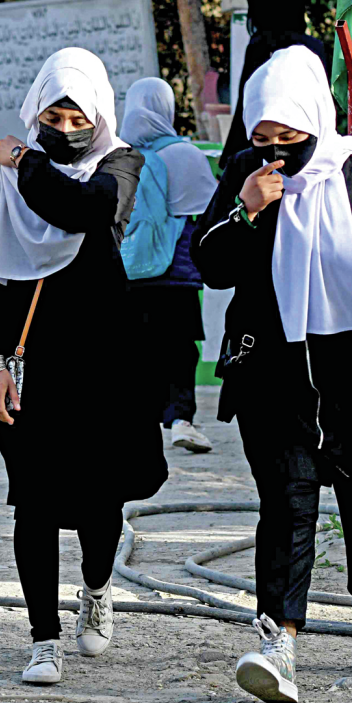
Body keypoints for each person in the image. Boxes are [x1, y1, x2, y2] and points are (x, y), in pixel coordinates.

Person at [193, 45, 352, 703]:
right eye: (264, 138)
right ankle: (280, 641)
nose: (277, 152)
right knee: (287, 500)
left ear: (314, 123)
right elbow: (209, 262)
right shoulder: (248, 174)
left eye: (289, 138)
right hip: (275, 365)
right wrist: (247, 207)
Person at [0, 47, 165, 686]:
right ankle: (42, 637)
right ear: (35, 110)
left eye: (78, 116)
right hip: (29, 360)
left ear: (100, 115)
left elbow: (84, 210)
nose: (66, 128)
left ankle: (97, 584)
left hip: (106, 358)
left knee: (102, 497)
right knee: (33, 497)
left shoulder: (119, 163)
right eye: (53, 113)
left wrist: (23, 158)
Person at [118, 76, 219, 455]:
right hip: (175, 272)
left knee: (136, 347)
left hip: (130, 268)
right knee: (179, 347)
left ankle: (136, 419)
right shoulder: (187, 155)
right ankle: (180, 419)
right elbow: (208, 214)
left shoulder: (118, 155)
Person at [223, 0, 331, 162]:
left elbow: (246, 107)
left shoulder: (261, 45)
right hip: (310, 149)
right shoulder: (313, 46)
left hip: (264, 152)